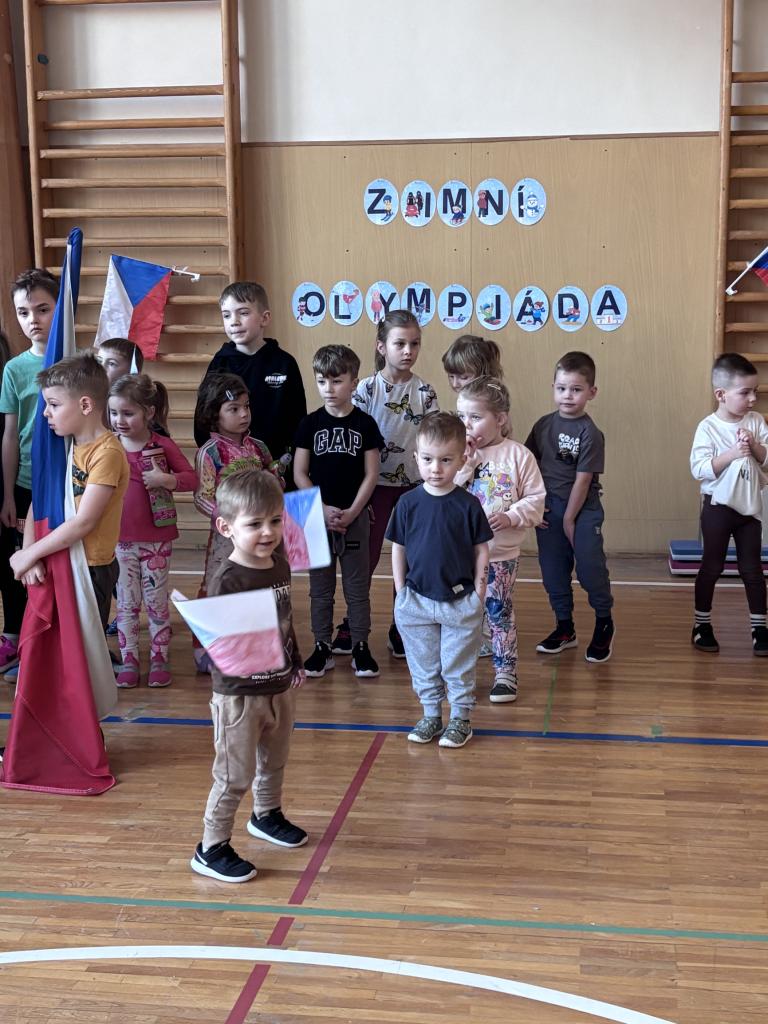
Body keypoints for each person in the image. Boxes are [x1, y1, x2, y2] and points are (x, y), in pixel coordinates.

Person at [191, 468, 307, 883]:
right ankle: (211, 847)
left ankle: (266, 814)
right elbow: (220, 642)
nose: (268, 532)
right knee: (233, 774)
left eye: (275, 520)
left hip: (279, 685)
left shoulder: (279, 565)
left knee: (274, 759)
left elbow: (284, 620)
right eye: (254, 524)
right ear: (226, 527)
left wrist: (295, 661)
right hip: (239, 695)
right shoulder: (228, 579)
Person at [386, 412, 493, 749]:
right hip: (416, 602)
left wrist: (479, 591)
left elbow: (481, 550)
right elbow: (399, 548)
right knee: (424, 663)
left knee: (457, 665)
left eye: (446, 460)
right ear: (416, 457)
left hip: (460, 602)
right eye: (428, 459)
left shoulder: (468, 505)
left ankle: (460, 718)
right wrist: (401, 591)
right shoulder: (407, 503)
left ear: (462, 459)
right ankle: (431, 714)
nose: (436, 468)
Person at [9, 352, 129, 636]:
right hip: (58, 556)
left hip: (90, 568)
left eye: (53, 404)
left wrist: (29, 554)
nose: (45, 413)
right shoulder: (64, 445)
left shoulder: (107, 453)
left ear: (85, 405)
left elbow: (84, 521)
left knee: (83, 646)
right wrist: (29, 554)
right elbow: (40, 499)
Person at [352, 309, 438, 658]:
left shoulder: (425, 392)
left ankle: (402, 624)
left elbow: (434, 440)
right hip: (372, 488)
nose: (408, 351)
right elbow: (355, 436)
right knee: (366, 558)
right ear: (381, 346)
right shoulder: (366, 389)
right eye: (400, 343)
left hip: (413, 489)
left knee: (410, 560)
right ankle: (354, 623)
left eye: (414, 344)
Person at [294, 345, 383, 679]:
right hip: (315, 517)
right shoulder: (309, 423)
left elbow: (371, 475)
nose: (328, 389)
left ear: (353, 382)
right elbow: (299, 473)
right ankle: (322, 646)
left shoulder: (365, 424)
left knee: (357, 589)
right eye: (322, 381)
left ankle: (360, 646)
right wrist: (321, 508)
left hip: (354, 518)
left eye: (336, 381)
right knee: (320, 590)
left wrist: (353, 511)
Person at [456, 377, 545, 703]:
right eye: (461, 416)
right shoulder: (458, 454)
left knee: (498, 612)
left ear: (500, 418)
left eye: (475, 417)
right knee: (462, 615)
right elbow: (444, 491)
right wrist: (464, 463)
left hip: (500, 555)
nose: (467, 425)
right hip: (461, 555)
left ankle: (505, 671)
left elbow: (536, 499)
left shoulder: (519, 456)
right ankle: (460, 674)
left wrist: (512, 516)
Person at [525, 351, 615, 663]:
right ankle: (565, 628)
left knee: (590, 569)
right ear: (553, 387)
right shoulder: (543, 425)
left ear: (592, 392)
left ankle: (604, 621)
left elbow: (583, 480)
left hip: (581, 511)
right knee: (553, 572)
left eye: (576, 389)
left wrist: (569, 520)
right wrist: (535, 505)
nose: (567, 395)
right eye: (562, 388)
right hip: (549, 509)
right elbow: (527, 466)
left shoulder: (590, 433)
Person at [108, 373, 198, 687]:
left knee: (156, 600)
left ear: (149, 412)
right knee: (126, 603)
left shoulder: (162, 445)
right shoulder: (109, 446)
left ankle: (159, 656)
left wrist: (166, 480)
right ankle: (129, 658)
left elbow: (192, 478)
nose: (119, 420)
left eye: (127, 413)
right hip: (119, 540)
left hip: (157, 540)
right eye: (114, 413)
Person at [193, 372, 282, 672]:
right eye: (234, 409)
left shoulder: (259, 448)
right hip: (225, 539)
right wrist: (228, 521)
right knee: (217, 587)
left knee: (257, 589)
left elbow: (274, 484)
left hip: (260, 538)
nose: (244, 414)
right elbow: (202, 497)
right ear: (213, 414)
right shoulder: (210, 453)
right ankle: (207, 649)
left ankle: (251, 647)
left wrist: (276, 481)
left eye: (246, 406)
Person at [0, 269, 59, 679]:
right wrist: (7, 494)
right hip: (24, 486)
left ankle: (75, 645)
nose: (33, 320)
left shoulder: (77, 363)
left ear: (60, 309)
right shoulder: (14, 370)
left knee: (72, 566)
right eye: (23, 312)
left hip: (68, 486)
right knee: (24, 565)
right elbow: (9, 435)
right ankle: (21, 641)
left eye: (42, 309)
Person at [690, 353, 768, 655]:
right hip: (717, 509)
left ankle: (759, 628)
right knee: (712, 565)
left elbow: (766, 459)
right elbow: (699, 469)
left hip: (749, 509)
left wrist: (755, 446)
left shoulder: (756, 421)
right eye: (745, 392)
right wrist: (733, 454)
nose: (753, 399)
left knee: (752, 569)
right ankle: (701, 624)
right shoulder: (708, 427)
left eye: (755, 392)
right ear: (721, 395)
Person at [193, 282, 306, 487]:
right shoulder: (220, 364)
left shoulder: (284, 363)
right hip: (232, 475)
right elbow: (203, 424)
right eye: (227, 315)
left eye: (243, 313)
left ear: (265, 318)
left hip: (277, 472)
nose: (234, 322)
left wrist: (286, 468)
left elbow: (298, 422)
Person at [0, 328, 25, 681]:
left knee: (11, 563)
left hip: (13, 486)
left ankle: (14, 633)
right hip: (10, 489)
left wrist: (7, 495)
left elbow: (10, 438)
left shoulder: (9, 380)